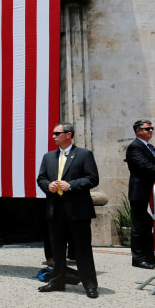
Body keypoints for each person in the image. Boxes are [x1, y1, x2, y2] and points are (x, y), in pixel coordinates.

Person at [36, 123, 99, 298]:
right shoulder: (48, 157)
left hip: (78, 211)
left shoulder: (84, 155)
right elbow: (40, 178)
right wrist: (48, 186)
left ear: (68, 134)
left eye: (57, 133)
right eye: (53, 134)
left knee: (82, 249)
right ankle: (57, 281)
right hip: (55, 210)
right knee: (57, 250)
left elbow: (92, 178)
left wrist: (71, 185)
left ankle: (90, 285)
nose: (53, 136)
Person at [125, 119, 155, 269]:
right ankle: (138, 258)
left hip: (151, 193)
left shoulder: (150, 147)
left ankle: (150, 256)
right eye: (147, 129)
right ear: (138, 131)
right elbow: (145, 166)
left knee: (148, 226)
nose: (150, 131)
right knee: (138, 227)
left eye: (151, 129)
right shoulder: (135, 147)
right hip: (140, 192)